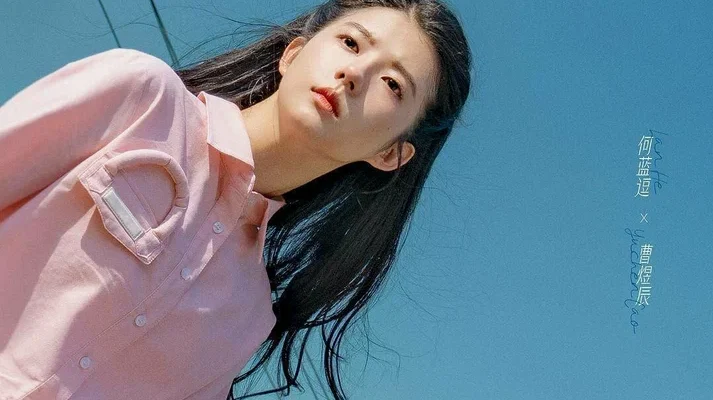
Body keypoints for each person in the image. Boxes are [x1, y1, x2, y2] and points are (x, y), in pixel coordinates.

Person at [0, 0, 472, 398]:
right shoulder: (142, 98)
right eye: (351, 42)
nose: (355, 73)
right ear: (294, 53)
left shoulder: (247, 317)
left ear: (390, 154)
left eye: (393, 84)